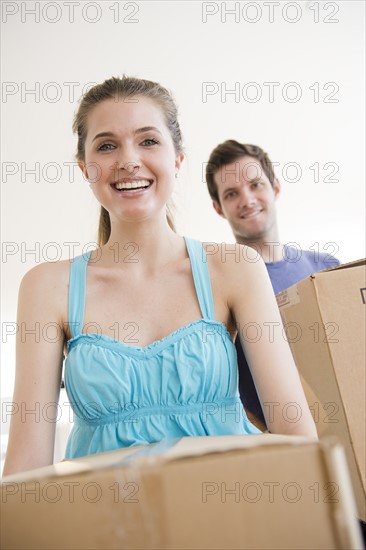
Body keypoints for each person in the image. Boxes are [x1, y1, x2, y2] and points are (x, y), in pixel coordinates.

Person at [3, 78, 317, 476]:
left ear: (177, 159)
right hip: (106, 530)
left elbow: (296, 436)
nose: (128, 160)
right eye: (106, 145)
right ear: (85, 168)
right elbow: (24, 472)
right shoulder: (48, 287)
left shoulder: (235, 268)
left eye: (148, 141)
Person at [205, 140, 340, 428]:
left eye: (255, 184)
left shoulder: (327, 267)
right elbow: (222, 390)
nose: (247, 199)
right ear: (218, 208)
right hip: (283, 448)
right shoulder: (220, 289)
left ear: (275, 187)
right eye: (231, 193)